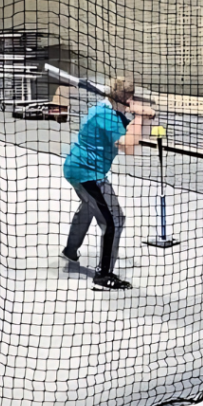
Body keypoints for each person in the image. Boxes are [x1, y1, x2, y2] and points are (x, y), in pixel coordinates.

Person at [62, 75, 152, 290]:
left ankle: (70, 250)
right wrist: (139, 116)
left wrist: (137, 114)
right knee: (114, 220)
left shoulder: (104, 108)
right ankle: (103, 276)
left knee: (89, 207)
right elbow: (129, 147)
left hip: (76, 168)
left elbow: (127, 126)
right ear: (126, 98)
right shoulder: (107, 117)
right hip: (88, 174)